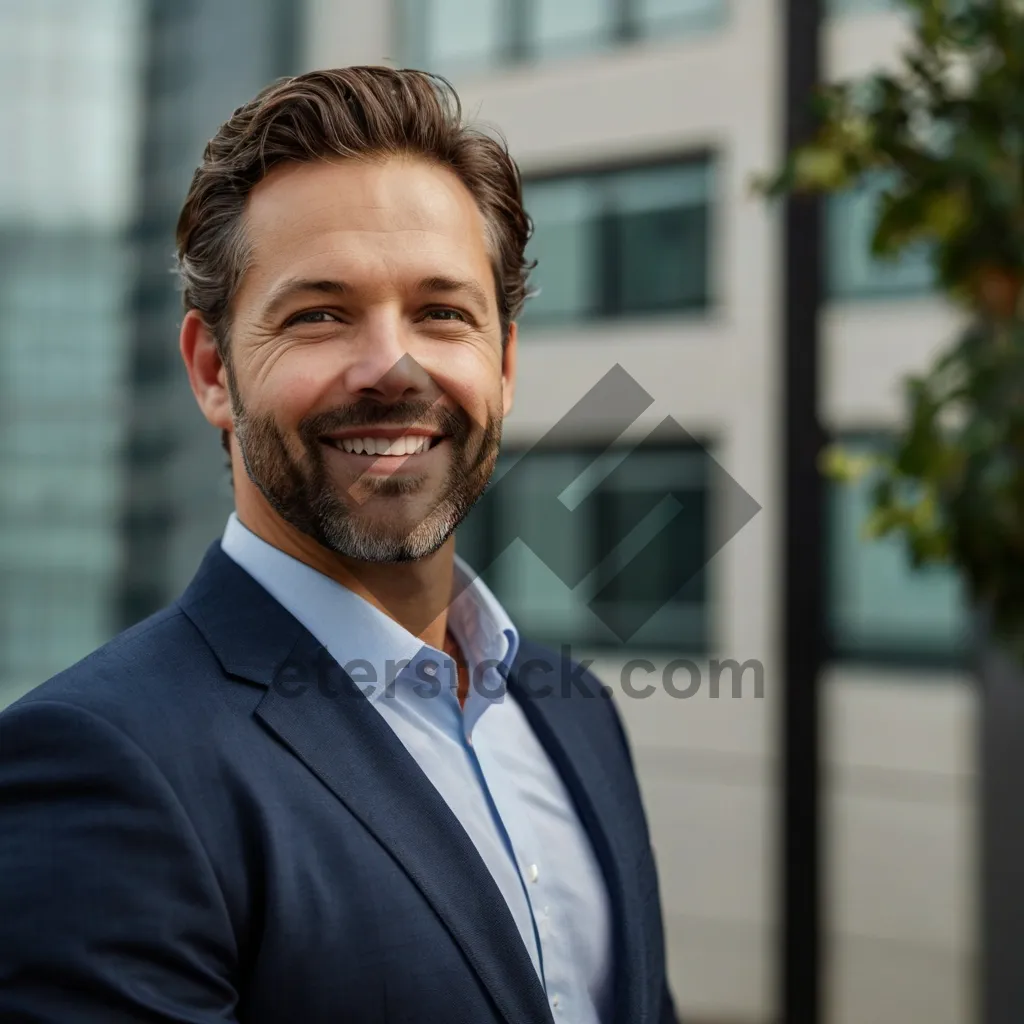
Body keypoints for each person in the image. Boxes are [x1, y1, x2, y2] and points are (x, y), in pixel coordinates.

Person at [0, 67, 677, 1024]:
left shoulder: (576, 718)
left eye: (442, 313)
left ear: (506, 362)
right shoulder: (99, 767)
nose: (390, 370)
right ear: (213, 372)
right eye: (319, 313)